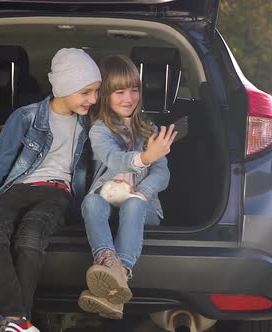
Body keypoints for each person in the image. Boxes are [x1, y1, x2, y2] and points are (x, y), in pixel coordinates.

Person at [0, 48, 101, 332]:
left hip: (57, 192)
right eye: (86, 92)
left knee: (31, 233)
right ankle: (18, 319)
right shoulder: (26, 117)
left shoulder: (89, 122)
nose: (93, 99)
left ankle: (11, 320)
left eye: (96, 92)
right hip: (18, 188)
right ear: (65, 87)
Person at [77, 54, 176, 319]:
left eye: (134, 90)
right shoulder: (100, 130)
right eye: (119, 92)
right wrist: (144, 157)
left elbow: (162, 173)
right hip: (109, 202)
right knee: (91, 201)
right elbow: (114, 158)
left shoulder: (149, 129)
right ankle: (109, 263)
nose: (129, 98)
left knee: (133, 203)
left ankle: (119, 272)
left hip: (144, 210)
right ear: (105, 96)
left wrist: (142, 192)